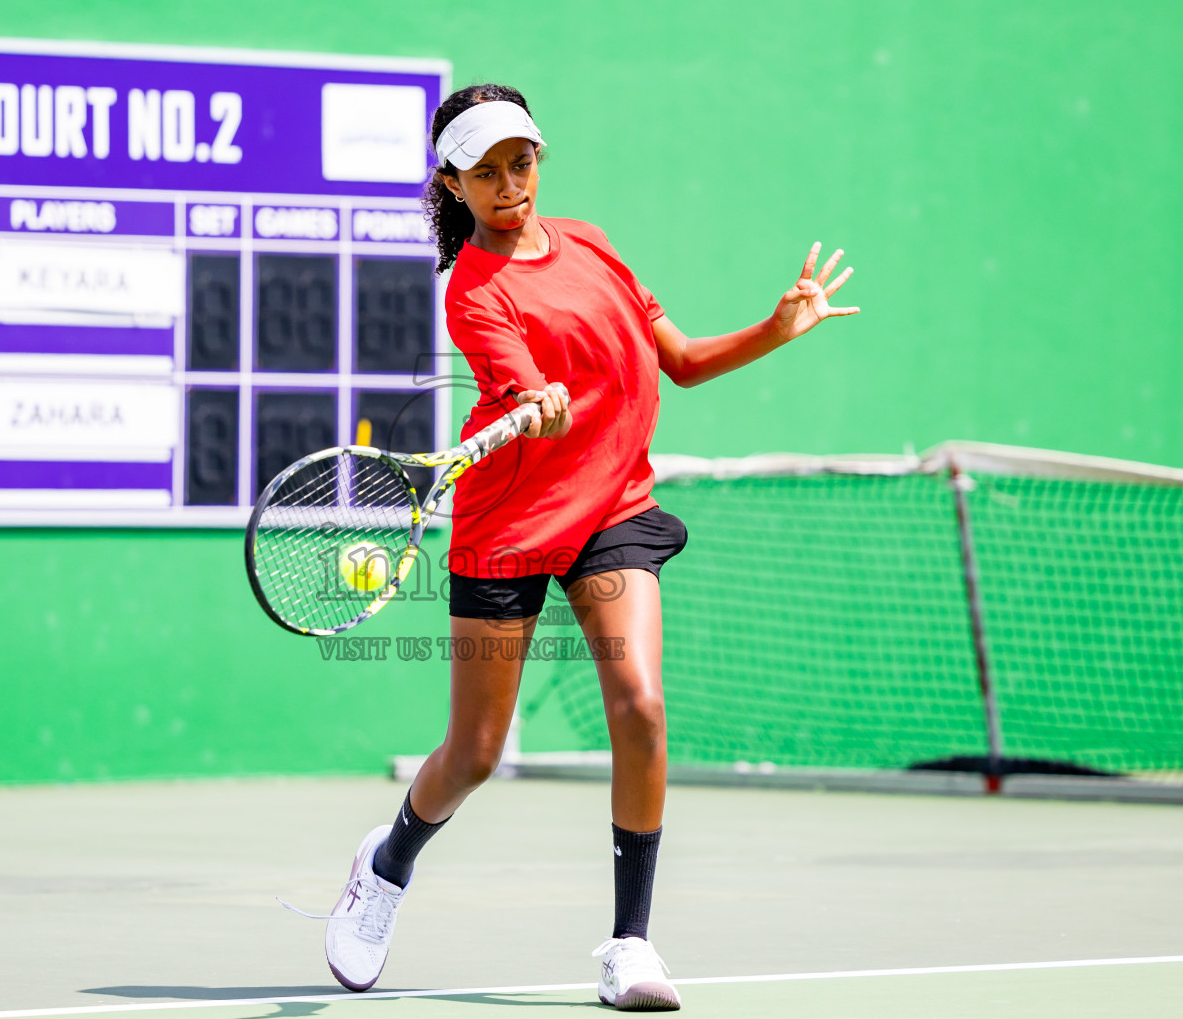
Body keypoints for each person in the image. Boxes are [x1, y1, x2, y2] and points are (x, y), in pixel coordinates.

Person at [319, 84, 858, 1011]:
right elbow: (523, 384)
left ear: (540, 159)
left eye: (519, 161)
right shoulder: (473, 291)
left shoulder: (593, 242)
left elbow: (679, 361)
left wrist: (777, 328)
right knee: (476, 754)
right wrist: (535, 401)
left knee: (641, 705)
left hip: (612, 510)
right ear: (450, 185)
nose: (508, 183)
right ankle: (389, 861)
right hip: (509, 526)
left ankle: (630, 946)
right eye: (483, 171)